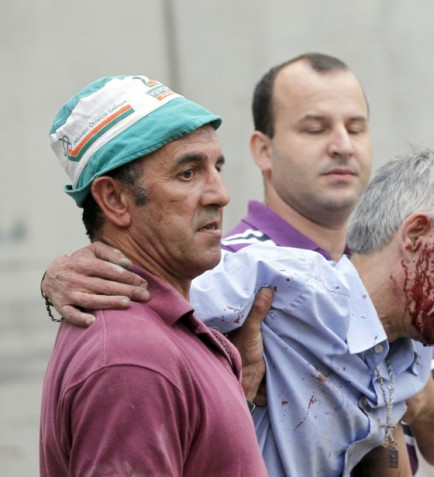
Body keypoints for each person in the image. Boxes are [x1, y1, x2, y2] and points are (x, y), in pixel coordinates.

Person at [40, 53, 434, 473]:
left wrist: (389, 378)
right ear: (264, 151)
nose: (342, 145)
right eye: (315, 128)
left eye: (356, 127)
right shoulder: (227, 276)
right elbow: (134, 333)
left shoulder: (388, 278)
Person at [189, 147, 434, 476]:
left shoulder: (412, 357)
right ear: (416, 234)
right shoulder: (281, 281)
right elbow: (151, 308)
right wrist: (135, 273)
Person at [39, 75, 267, 476]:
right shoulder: (131, 360)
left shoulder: (157, 334)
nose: (221, 194)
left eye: (216, 167)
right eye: (187, 173)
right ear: (114, 199)